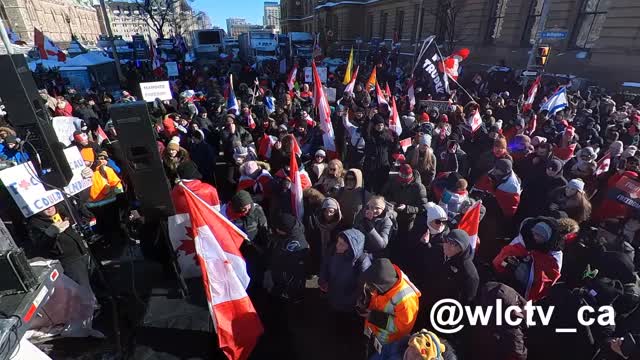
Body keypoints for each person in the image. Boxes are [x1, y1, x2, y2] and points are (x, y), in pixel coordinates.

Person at [359, 258, 421, 358]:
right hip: (372, 334)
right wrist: (366, 302)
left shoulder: (407, 300)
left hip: (386, 344)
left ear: (381, 286)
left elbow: (403, 327)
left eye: (372, 287)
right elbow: (379, 300)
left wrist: (373, 316)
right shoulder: (385, 278)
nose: (371, 289)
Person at [493, 217, 562, 301]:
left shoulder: (552, 257)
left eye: (540, 236)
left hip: (526, 298)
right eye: (534, 233)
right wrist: (507, 262)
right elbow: (499, 259)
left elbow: (548, 280)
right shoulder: (522, 241)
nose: (535, 237)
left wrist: (527, 272)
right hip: (506, 287)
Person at [26, 205, 91, 288]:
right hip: (69, 262)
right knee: (84, 288)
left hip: (84, 251)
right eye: (44, 207)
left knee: (97, 281)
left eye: (50, 204)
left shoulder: (63, 210)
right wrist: (50, 234)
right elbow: (41, 248)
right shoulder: (34, 224)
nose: (49, 208)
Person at [319, 228, 371, 311]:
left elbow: (363, 287)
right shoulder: (333, 250)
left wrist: (349, 300)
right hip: (332, 295)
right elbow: (325, 266)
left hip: (349, 304)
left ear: (352, 247)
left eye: (342, 244)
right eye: (338, 242)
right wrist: (322, 280)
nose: (337, 246)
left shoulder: (362, 261)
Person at [265, 213, 309, 302]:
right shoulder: (290, 233)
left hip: (289, 277)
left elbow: (292, 268)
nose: (276, 230)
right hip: (282, 273)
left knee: (293, 293)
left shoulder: (295, 244)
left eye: (278, 229)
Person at [381, 164, 428, 237]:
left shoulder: (419, 188)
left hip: (408, 220)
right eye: (401, 178)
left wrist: (406, 208)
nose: (402, 182)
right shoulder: (393, 181)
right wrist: (389, 201)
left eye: (405, 179)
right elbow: (383, 194)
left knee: (405, 239)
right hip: (392, 215)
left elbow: (422, 207)